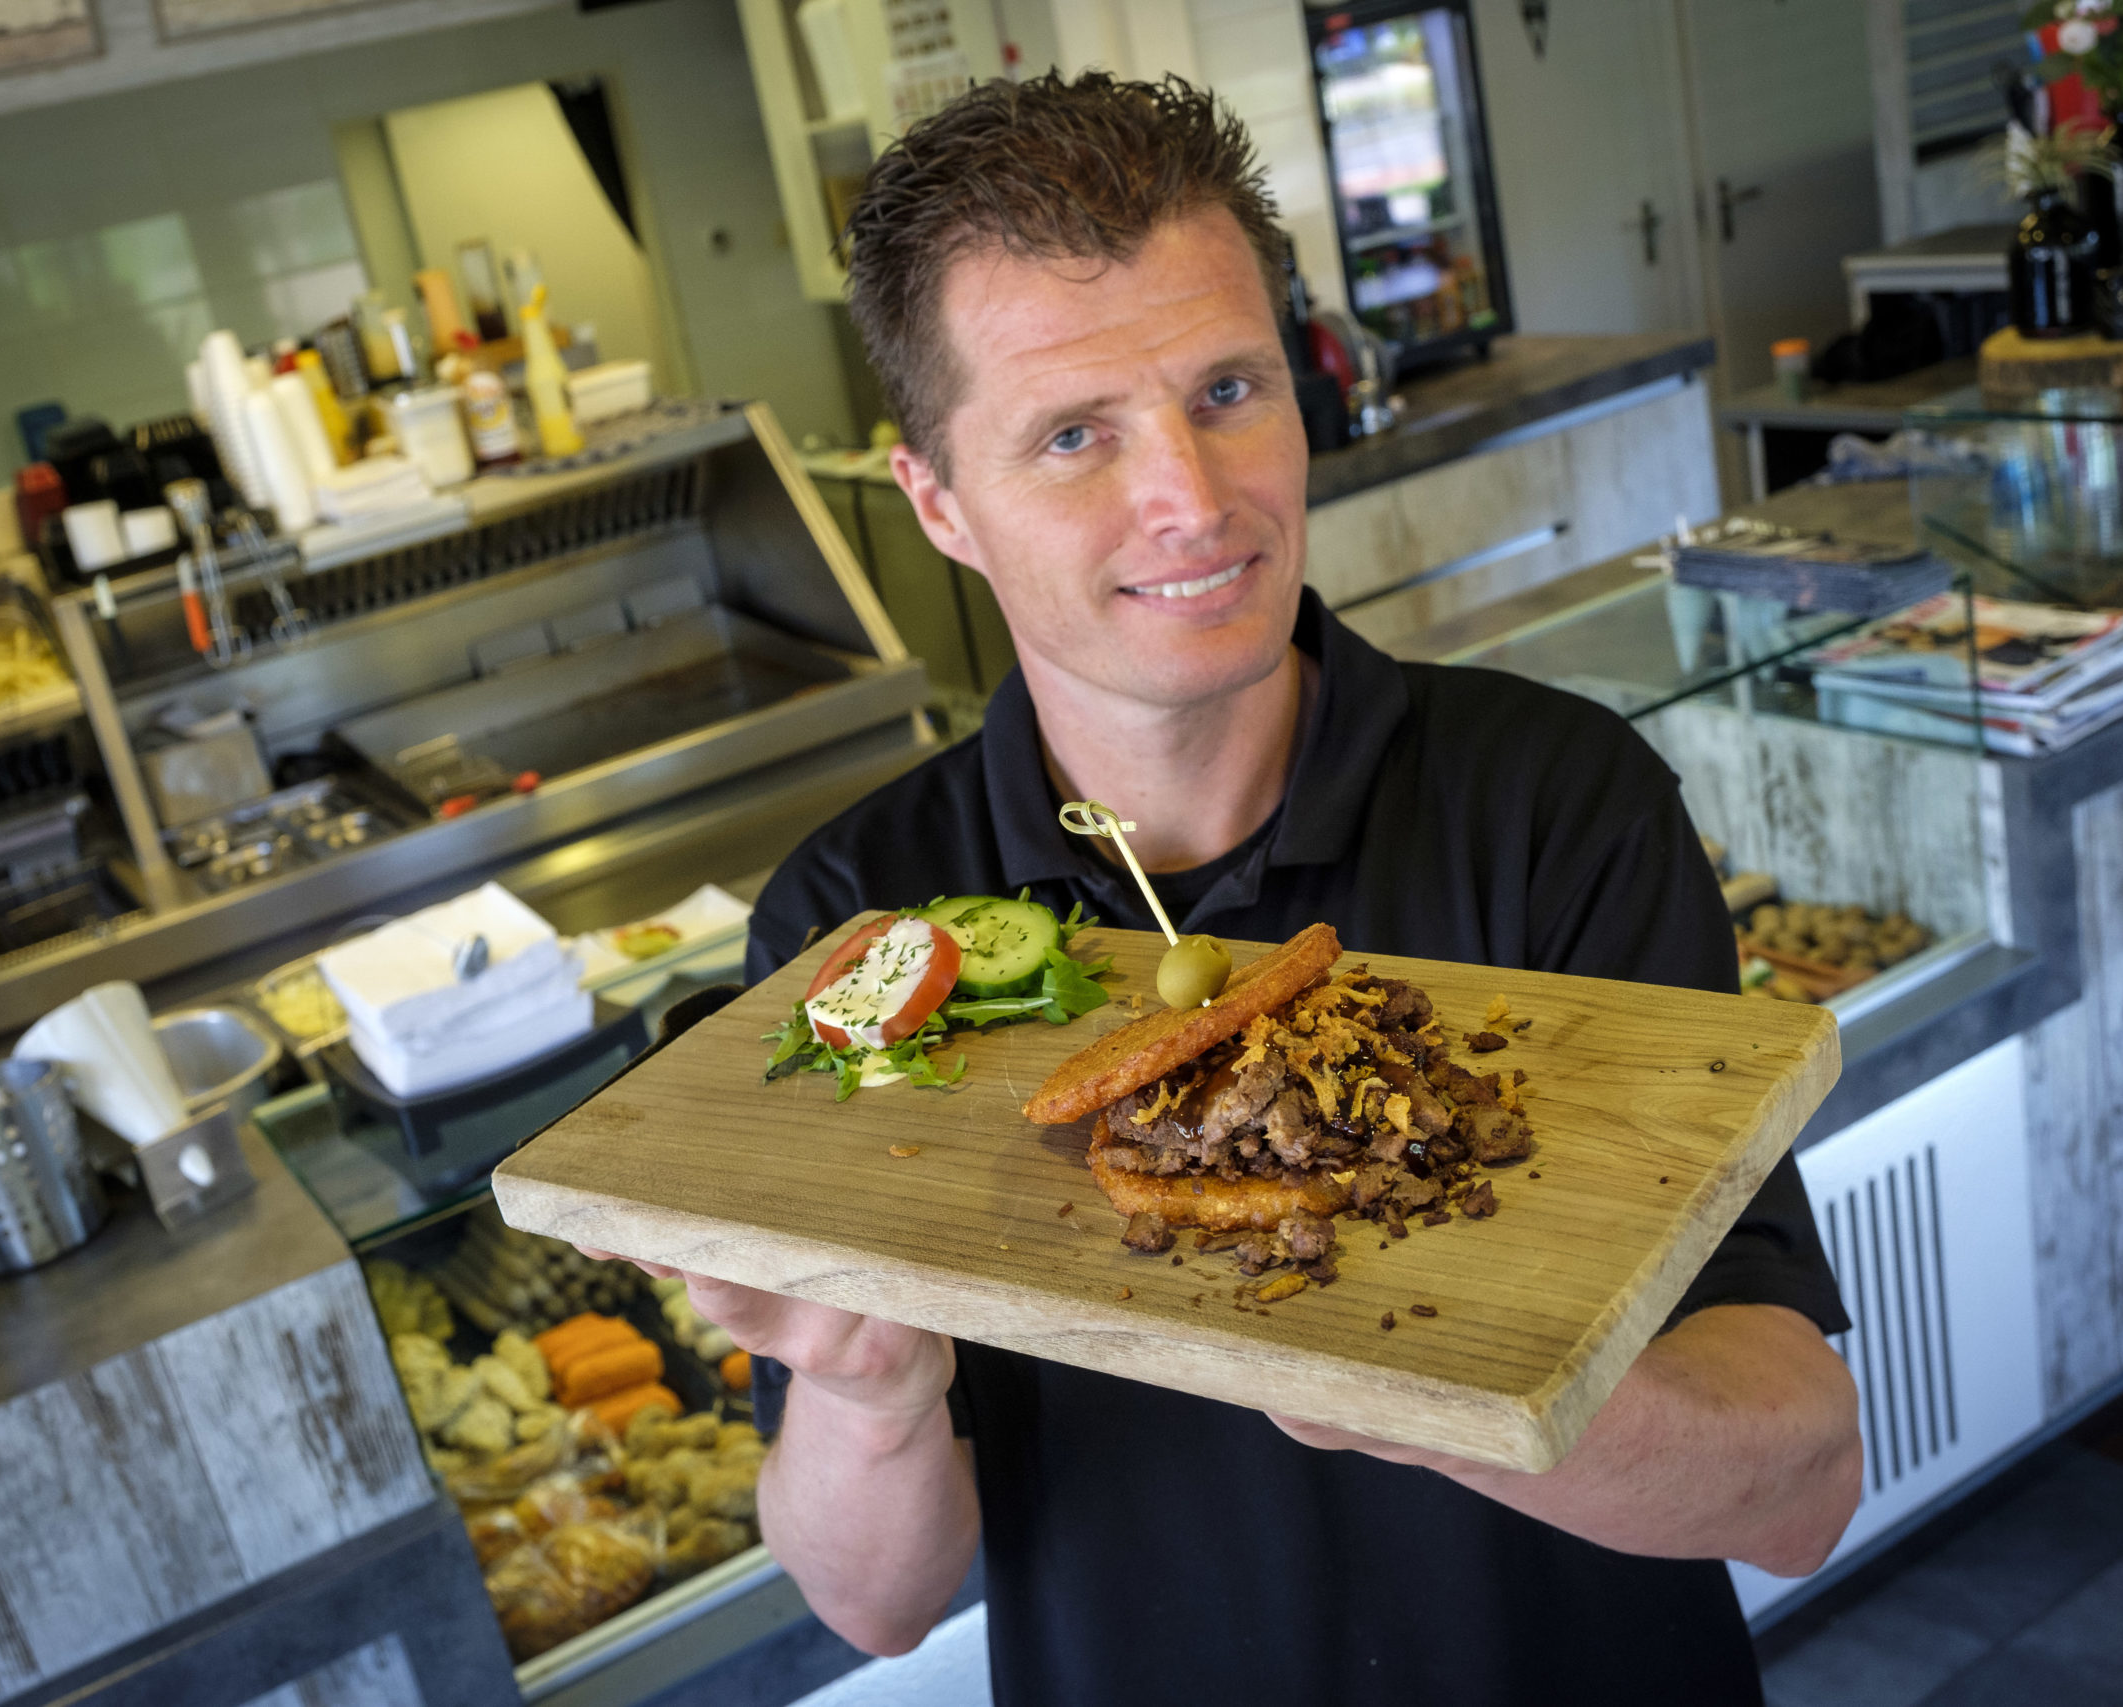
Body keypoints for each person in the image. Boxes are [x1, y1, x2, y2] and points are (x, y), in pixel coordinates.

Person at [589, 72, 1862, 1704]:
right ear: (939, 506)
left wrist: (1427, 1389)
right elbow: (874, 1607)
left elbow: (1801, 1480)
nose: (1194, 499)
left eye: (1229, 388)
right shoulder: (863, 924)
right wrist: (871, 1388)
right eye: (1073, 435)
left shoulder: (1556, 798)